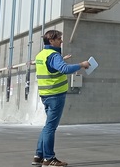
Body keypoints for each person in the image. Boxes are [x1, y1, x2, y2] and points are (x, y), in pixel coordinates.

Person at [33, 30, 91, 167]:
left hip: (45, 95)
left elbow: (51, 67)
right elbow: (64, 69)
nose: (61, 41)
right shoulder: (54, 55)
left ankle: (38, 156)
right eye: (59, 38)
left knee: (47, 126)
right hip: (55, 95)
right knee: (50, 128)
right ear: (51, 41)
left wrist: (61, 60)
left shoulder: (41, 55)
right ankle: (49, 158)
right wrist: (82, 65)